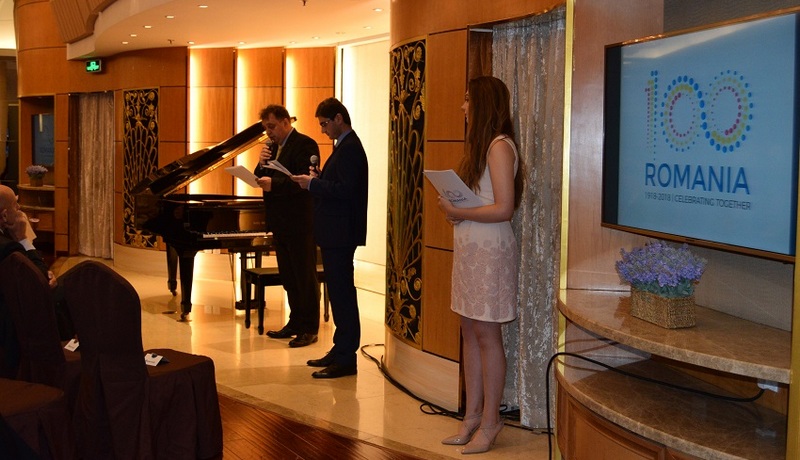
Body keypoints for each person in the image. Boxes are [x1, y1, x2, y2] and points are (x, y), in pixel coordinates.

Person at [436, 76, 523, 455]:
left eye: (469, 100)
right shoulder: (480, 147)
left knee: (487, 335)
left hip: (490, 251)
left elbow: (504, 208)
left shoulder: (500, 146)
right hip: (472, 248)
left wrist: (460, 211)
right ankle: (471, 416)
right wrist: (456, 212)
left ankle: (490, 421)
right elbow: (482, 203)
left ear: (484, 103)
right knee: (469, 331)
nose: (463, 107)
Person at [291, 98, 368, 379]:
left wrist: (313, 184)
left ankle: (346, 358)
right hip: (336, 231)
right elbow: (340, 185)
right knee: (337, 293)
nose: (323, 130)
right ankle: (339, 349)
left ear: (338, 118)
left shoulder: (350, 148)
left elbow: (346, 191)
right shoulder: (343, 147)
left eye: (325, 124)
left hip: (341, 232)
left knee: (343, 294)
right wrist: (320, 179)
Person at [254, 105, 321, 348]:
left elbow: (306, 181)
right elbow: (260, 175)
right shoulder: (272, 148)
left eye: (271, 126)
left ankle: (309, 328)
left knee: (304, 276)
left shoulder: (305, 144)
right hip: (280, 221)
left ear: (285, 121)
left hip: (299, 221)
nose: (269, 132)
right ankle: (295, 322)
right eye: (266, 128)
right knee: (289, 276)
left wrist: (275, 184)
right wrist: (261, 164)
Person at [0, 184, 70, 377]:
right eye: (16, 206)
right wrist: (24, 239)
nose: (20, 210)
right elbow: (39, 283)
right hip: (13, 325)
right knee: (74, 286)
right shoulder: (8, 248)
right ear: (4, 216)